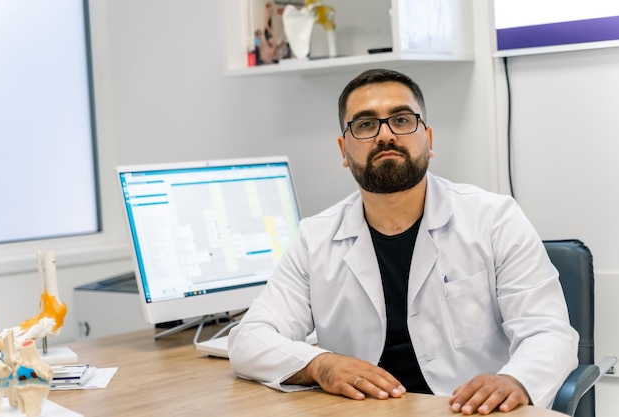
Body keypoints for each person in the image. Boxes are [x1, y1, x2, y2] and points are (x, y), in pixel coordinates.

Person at [228, 68, 579, 415]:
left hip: (470, 411)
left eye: (401, 120)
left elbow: (549, 332)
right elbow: (249, 338)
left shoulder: (494, 218)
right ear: (343, 149)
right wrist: (321, 364)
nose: (385, 135)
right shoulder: (315, 238)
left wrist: (515, 380)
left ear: (428, 138)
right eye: (365, 124)